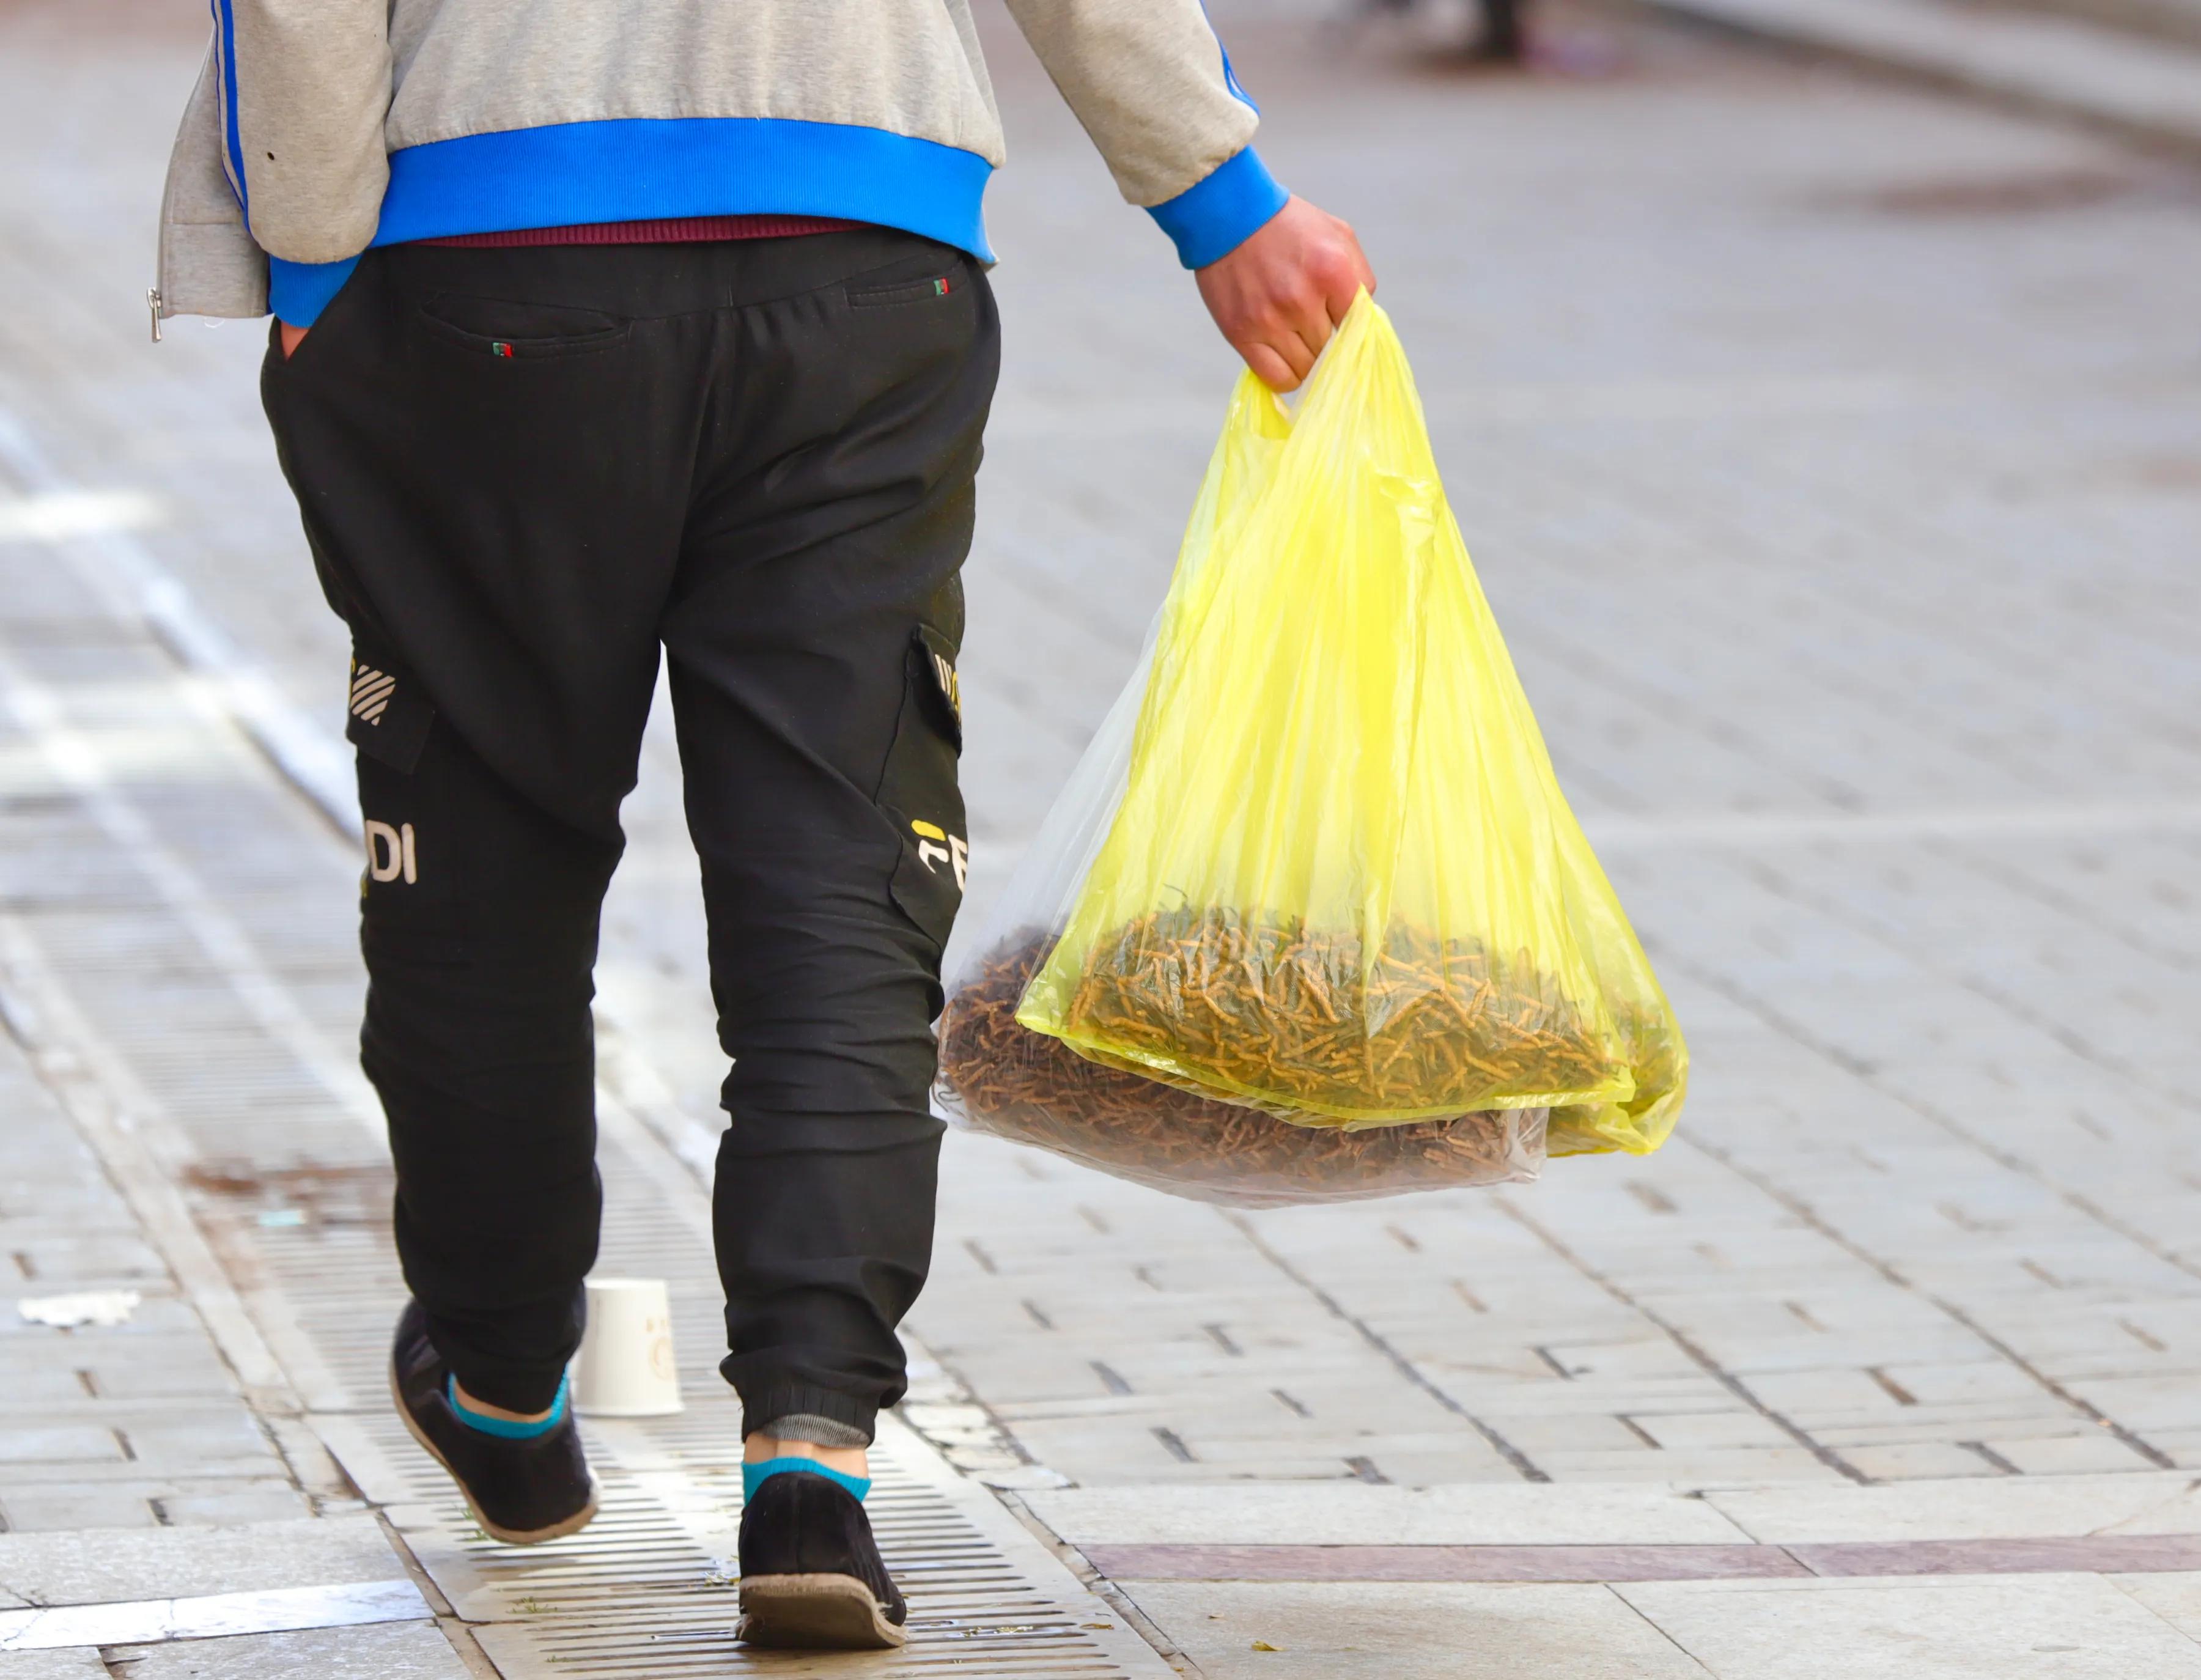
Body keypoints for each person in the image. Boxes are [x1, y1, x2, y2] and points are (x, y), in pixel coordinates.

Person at [155, 0, 1373, 1652]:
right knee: (839, 872)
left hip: (482, 268)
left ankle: (502, 1378)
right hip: (862, 258)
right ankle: (812, 1457)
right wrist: (1222, 203)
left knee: (486, 860)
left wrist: (312, 262)